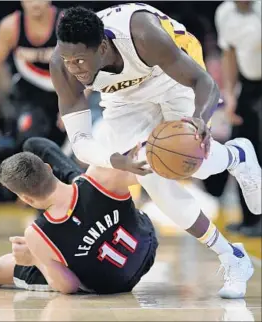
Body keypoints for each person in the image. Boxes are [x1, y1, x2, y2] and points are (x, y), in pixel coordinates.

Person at [50, 4, 261, 298]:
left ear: (101, 47)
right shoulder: (62, 65)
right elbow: (81, 140)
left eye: (80, 61)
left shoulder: (142, 34)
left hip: (170, 74)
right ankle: (231, 256)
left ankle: (237, 155)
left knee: (192, 158)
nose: (73, 68)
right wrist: (115, 160)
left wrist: (199, 118)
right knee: (153, 174)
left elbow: (205, 82)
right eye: (68, 60)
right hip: (123, 96)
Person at [0, 137, 158, 294]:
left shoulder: (36, 234)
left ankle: (75, 183)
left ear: (25, 198)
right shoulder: (100, 175)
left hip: (114, 285)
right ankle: (76, 180)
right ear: (50, 168)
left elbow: (68, 286)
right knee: (34, 145)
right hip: (147, 246)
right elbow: (149, 169)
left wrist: (34, 259)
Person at [212, 0, 262, 236]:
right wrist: (230, 96)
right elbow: (229, 54)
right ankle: (250, 219)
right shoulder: (224, 12)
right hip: (248, 87)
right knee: (242, 150)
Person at [0, 0, 65, 147]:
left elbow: (86, 67)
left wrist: (74, 106)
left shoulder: (66, 23)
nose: (35, 3)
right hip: (27, 99)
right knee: (29, 141)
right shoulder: (10, 27)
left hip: (63, 95)